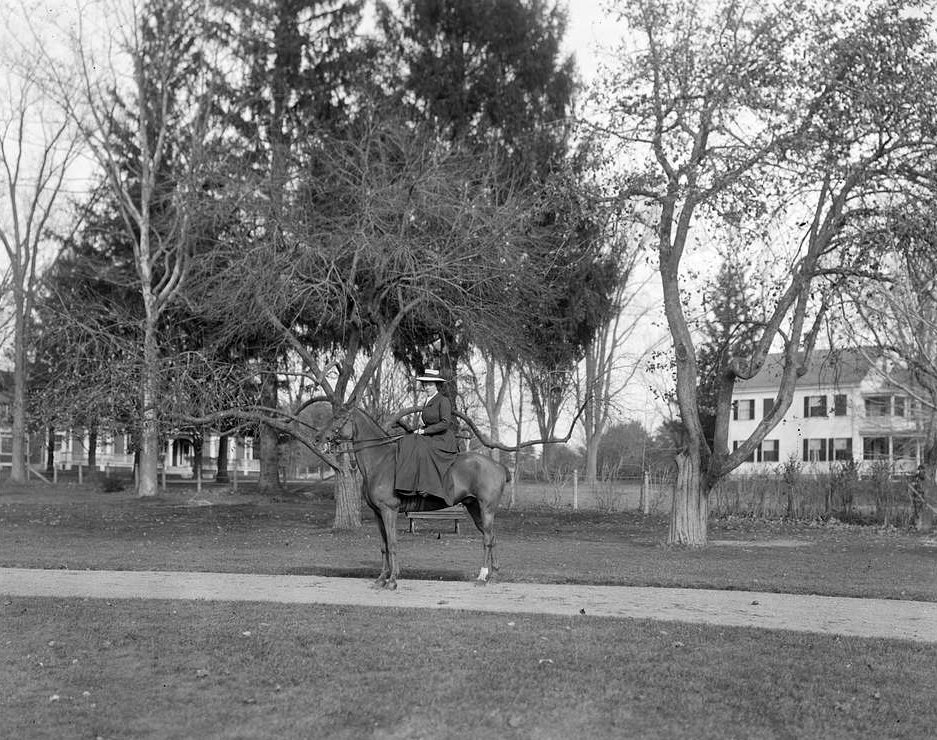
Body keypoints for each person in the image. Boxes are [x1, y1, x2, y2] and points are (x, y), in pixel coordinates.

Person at [395, 369, 459, 498]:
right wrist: (419, 430)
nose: (427, 387)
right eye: (425, 385)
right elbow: (429, 422)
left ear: (437, 385)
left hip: (443, 438)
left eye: (430, 384)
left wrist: (424, 431)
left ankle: (426, 486)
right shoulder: (428, 400)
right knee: (407, 441)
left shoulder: (443, 400)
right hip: (431, 435)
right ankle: (406, 484)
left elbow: (445, 423)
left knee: (420, 446)